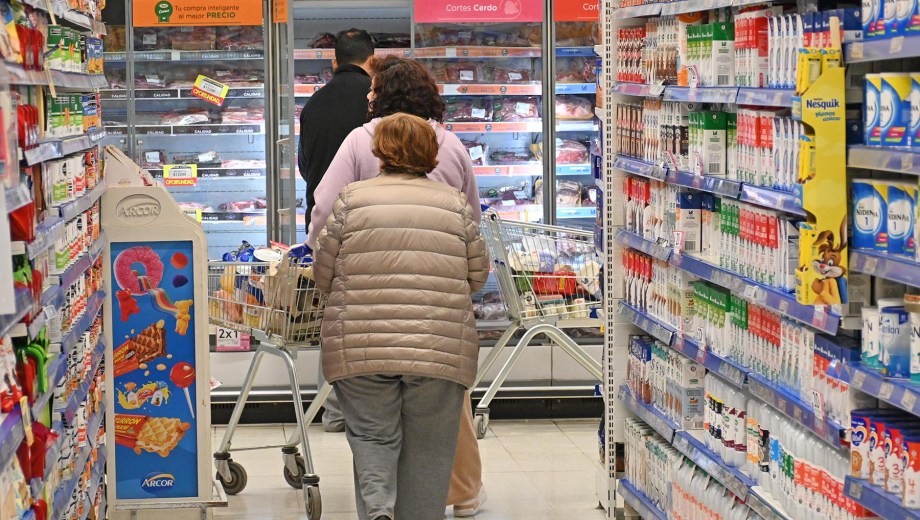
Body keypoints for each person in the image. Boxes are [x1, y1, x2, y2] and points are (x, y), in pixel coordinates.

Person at [306, 56, 487, 517]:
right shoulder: (452, 197)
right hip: (438, 340)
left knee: (370, 436)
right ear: (431, 151)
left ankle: (379, 508)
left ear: (380, 151)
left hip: (362, 340)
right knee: (430, 447)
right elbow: (477, 271)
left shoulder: (352, 196)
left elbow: (322, 263)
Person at [297, 27, 375, 432]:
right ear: (371, 60)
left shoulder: (313, 105)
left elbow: (306, 167)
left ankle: (331, 410)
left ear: (333, 60)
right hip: (372, 223)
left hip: (325, 222)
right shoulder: (376, 105)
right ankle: (367, 408)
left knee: (333, 317)